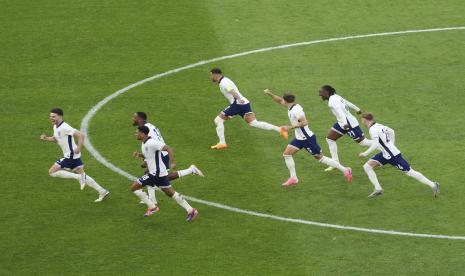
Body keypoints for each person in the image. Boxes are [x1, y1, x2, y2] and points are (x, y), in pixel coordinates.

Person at [264, 90, 353, 186]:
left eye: (283, 100)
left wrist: (289, 127)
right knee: (287, 154)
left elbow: (305, 122)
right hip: (299, 138)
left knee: (320, 158)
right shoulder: (291, 106)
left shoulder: (296, 110)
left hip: (307, 139)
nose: (282, 101)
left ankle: (345, 169)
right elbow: (279, 100)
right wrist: (270, 94)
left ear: (286, 101)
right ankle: (293, 178)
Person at [358, 112, 440, 198]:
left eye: (362, 120)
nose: (362, 122)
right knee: (367, 166)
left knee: (410, 172)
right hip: (385, 155)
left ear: (365, 120)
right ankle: (378, 189)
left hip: (393, 156)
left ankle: (433, 185)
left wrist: (364, 154)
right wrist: (392, 145)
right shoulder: (379, 125)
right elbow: (392, 131)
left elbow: (375, 144)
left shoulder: (372, 130)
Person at [132, 112, 204, 207]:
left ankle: (153, 201)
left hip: (161, 154)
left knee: (154, 175)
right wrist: (143, 156)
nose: (132, 119)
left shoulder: (146, 130)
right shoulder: (149, 126)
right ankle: (190, 170)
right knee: (157, 177)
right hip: (159, 153)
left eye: (134, 117)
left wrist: (147, 160)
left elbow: (155, 144)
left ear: (140, 119)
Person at [40, 108, 109, 202]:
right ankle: (102, 191)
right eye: (50, 116)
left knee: (52, 172)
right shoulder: (56, 127)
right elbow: (56, 138)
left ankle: (79, 178)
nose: (51, 118)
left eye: (53, 116)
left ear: (60, 116)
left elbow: (81, 135)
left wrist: (79, 148)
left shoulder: (65, 127)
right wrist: (46, 138)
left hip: (71, 154)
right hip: (71, 155)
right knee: (81, 173)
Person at [209, 68, 288, 150]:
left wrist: (239, 98)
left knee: (218, 120)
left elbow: (231, 90)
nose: (210, 77)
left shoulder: (224, 83)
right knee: (254, 123)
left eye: (211, 75)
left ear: (215, 74)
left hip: (237, 104)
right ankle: (280, 130)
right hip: (244, 103)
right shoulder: (225, 80)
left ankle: (222, 143)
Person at [132, 126, 198, 221]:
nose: (135, 134)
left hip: (156, 173)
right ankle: (191, 210)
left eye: (137, 132)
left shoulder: (152, 143)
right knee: (171, 193)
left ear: (143, 133)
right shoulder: (144, 144)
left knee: (134, 187)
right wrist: (139, 155)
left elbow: (168, 148)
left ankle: (152, 207)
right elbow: (149, 156)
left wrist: (172, 162)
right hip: (158, 173)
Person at [318, 85, 372, 171]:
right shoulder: (336, 96)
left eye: (321, 92)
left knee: (363, 142)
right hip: (342, 123)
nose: (320, 95)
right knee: (330, 139)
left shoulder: (332, 102)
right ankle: (335, 163)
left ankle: (382, 145)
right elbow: (346, 102)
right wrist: (357, 109)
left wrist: (345, 124)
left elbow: (340, 112)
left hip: (348, 124)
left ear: (326, 92)